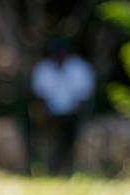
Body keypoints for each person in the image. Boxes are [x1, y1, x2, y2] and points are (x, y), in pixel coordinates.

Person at [30, 38, 96, 175]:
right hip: (50, 114)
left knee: (69, 133)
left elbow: (84, 97)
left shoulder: (80, 69)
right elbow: (39, 97)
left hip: (74, 113)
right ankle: (45, 167)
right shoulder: (44, 69)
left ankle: (67, 167)